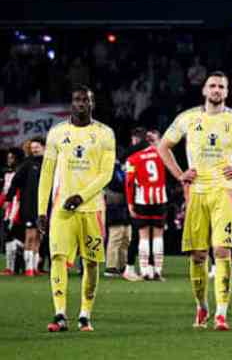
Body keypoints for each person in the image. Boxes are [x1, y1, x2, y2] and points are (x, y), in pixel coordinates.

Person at [154, 71, 232, 331]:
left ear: (226, 92)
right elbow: (163, 147)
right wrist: (180, 174)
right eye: (213, 86)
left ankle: (221, 313)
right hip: (196, 192)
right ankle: (202, 306)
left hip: (224, 191)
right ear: (204, 90)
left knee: (222, 250)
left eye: (221, 87)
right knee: (198, 255)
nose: (217, 90)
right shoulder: (188, 118)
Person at [37, 86, 116, 333]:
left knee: (91, 263)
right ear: (71, 104)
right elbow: (47, 173)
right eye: (77, 100)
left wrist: (81, 196)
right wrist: (41, 210)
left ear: (93, 104)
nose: (81, 104)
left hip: (93, 209)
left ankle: (85, 314)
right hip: (62, 209)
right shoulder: (57, 133)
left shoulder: (105, 133)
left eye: (86, 100)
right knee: (57, 258)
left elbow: (106, 174)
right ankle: (60, 314)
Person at [125, 127, 168, 280]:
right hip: (160, 199)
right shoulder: (163, 155)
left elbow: (129, 183)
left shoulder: (133, 158)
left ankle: (144, 272)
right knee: (158, 236)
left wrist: (130, 203)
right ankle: (157, 271)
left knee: (143, 236)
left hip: (142, 200)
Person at [5, 138, 45, 277]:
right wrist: (8, 198)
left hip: (44, 207)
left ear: (44, 147)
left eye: (37, 147)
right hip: (29, 205)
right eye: (32, 148)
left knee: (39, 237)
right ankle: (28, 269)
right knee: (30, 235)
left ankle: (34, 267)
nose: (34, 150)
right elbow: (15, 182)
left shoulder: (49, 164)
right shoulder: (27, 164)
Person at [104, 158, 138, 282]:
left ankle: (122, 265)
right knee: (116, 236)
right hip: (115, 206)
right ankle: (111, 266)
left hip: (125, 206)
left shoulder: (121, 168)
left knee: (126, 237)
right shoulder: (110, 169)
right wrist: (128, 183)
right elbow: (117, 185)